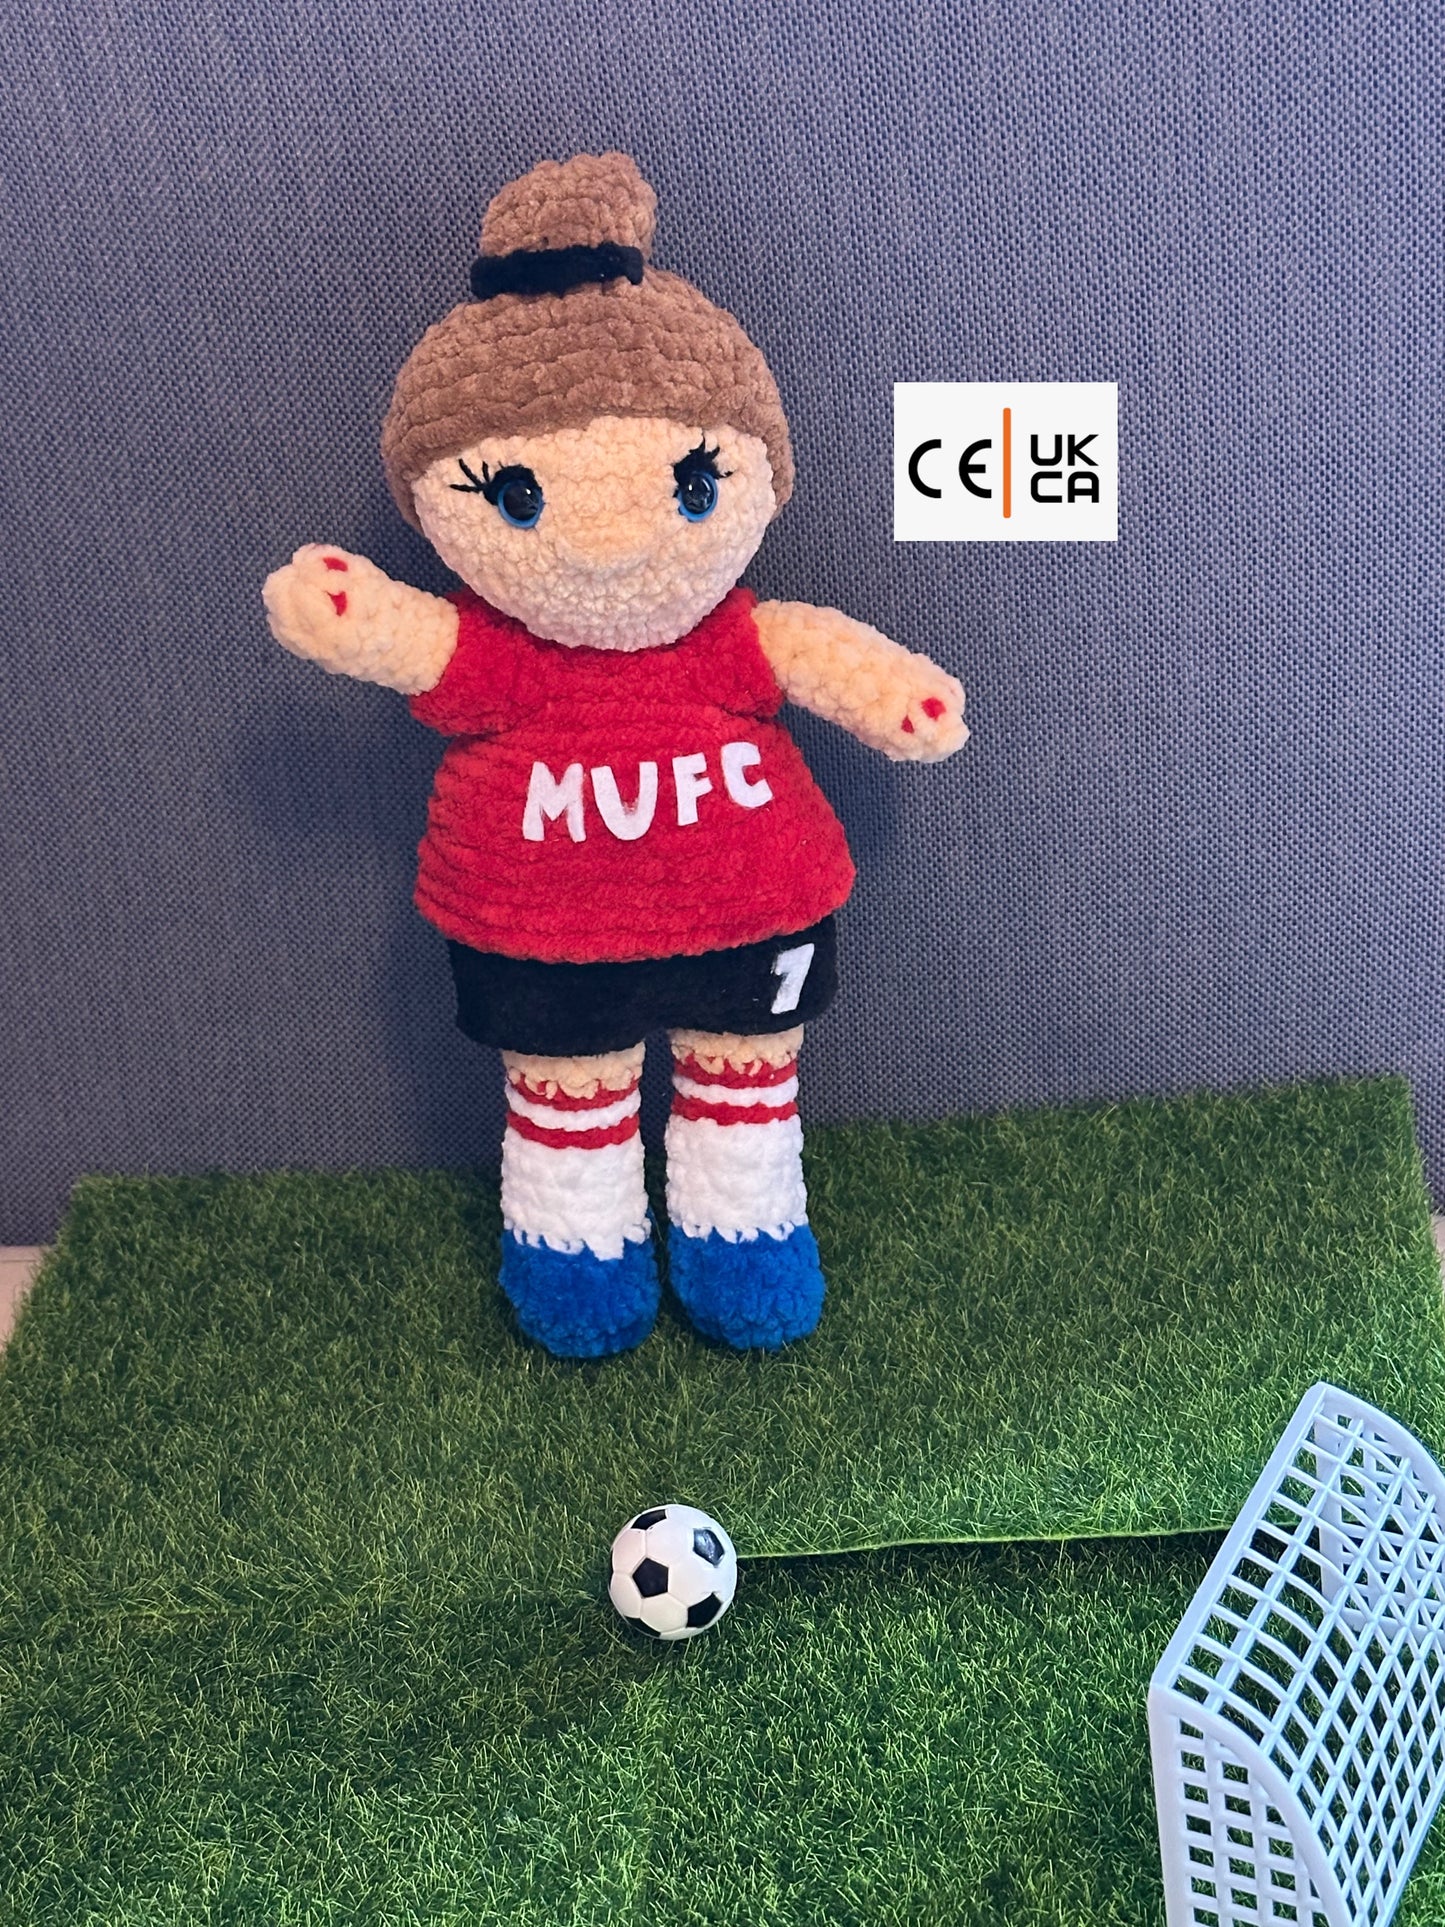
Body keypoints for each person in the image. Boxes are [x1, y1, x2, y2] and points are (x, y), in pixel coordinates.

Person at [263, 152, 967, 1359]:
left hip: (745, 917)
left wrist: (893, 693)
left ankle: (742, 1251)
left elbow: (815, 652)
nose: (602, 545)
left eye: (690, 483)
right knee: (562, 1110)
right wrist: (356, 615)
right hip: (544, 934)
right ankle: (576, 1270)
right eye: (517, 495)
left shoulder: (730, 638)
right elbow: (416, 641)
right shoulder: (502, 656)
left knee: (746, 1099)